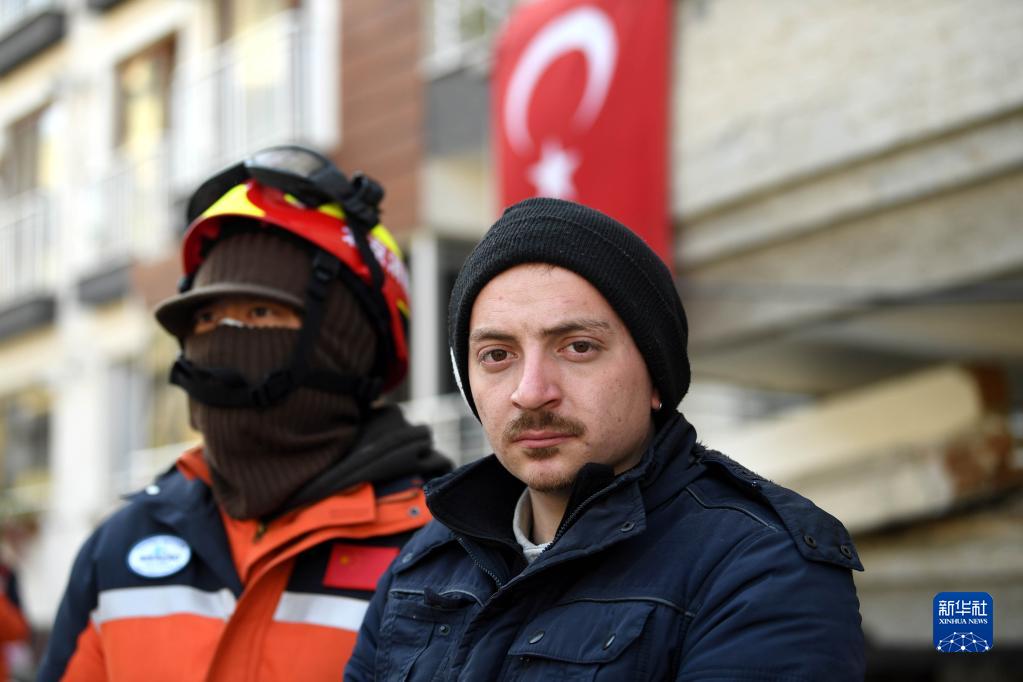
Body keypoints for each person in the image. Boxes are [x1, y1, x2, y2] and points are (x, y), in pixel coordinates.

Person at [347, 198, 865, 681]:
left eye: (577, 347)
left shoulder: (760, 568)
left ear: (656, 377)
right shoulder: (426, 562)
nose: (531, 392)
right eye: (497, 356)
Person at [38, 146, 450, 681]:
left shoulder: (444, 553)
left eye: (260, 312)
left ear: (346, 343)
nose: (223, 343)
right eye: (206, 319)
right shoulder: (120, 546)